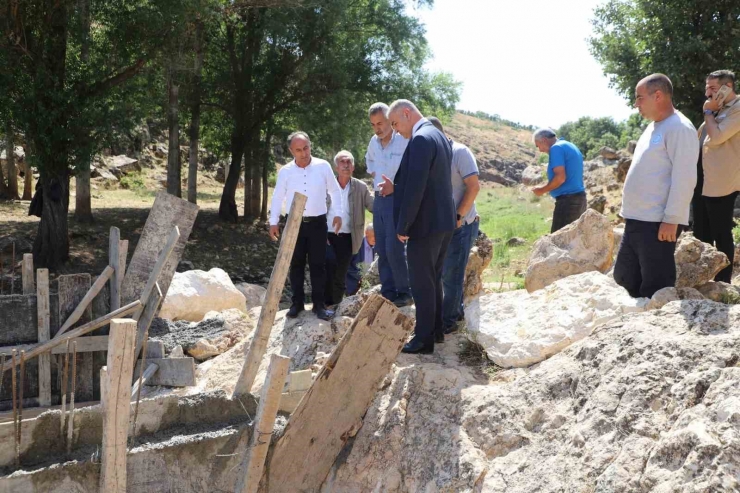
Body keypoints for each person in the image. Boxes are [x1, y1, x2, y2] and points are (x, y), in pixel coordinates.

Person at [615, 74, 699, 298]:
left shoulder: (680, 128)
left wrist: (672, 219)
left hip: (657, 223)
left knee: (656, 285)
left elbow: (685, 178)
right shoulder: (654, 127)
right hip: (636, 219)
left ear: (658, 95)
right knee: (624, 278)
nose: (636, 104)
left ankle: (658, 327)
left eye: (640, 98)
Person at [382, 99, 455, 354]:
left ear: (406, 113)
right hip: (443, 222)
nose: (395, 129)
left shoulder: (421, 139)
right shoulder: (438, 135)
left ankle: (423, 340)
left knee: (421, 281)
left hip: (425, 224)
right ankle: (435, 331)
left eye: (395, 123)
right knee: (433, 278)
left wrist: (403, 225)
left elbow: (417, 188)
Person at [269, 131, 343, 321]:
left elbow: (335, 191)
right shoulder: (285, 171)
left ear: (310, 145)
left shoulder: (323, 166)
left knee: (319, 265)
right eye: (299, 150)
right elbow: (278, 196)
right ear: (291, 150)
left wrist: (338, 214)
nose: (304, 153)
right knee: (296, 264)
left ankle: (319, 305)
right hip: (293, 223)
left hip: (318, 222)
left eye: (306, 148)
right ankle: (297, 303)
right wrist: (273, 222)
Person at [427, 117, 481, 335]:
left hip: (462, 224)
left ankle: (448, 322)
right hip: (439, 226)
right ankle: (455, 312)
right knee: (443, 273)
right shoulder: (432, 155)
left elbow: (474, 187)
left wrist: (457, 216)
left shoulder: (460, 152)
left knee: (452, 274)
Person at [693, 70, 740, 283]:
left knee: (721, 233)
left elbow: (718, 136)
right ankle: (704, 281)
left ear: (727, 87)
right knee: (701, 232)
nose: (708, 93)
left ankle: (723, 284)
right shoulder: (715, 110)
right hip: (702, 179)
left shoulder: (736, 109)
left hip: (721, 183)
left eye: (713, 88)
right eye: (706, 88)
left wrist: (708, 113)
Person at [365, 102, 412, 307]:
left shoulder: (403, 140)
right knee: (381, 247)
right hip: (379, 200)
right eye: (374, 124)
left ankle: (405, 291)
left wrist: (396, 186)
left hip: (397, 199)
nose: (378, 128)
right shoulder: (373, 143)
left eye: (382, 123)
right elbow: (369, 163)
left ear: (390, 121)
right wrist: (376, 175)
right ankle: (388, 291)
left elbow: (412, 171)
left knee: (395, 247)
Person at [324, 150, 374, 306]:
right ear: (336, 167)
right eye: (342, 162)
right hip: (327, 235)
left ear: (353, 167)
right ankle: (323, 304)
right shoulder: (326, 185)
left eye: (349, 162)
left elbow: (373, 206)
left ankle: (336, 305)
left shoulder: (360, 187)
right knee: (328, 267)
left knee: (341, 273)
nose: (346, 165)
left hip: (348, 237)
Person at [531, 128, 587, 232]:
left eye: (538, 145)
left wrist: (542, 190)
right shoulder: (568, 145)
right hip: (579, 200)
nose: (540, 150)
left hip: (568, 202)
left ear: (544, 140)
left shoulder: (556, 148)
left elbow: (560, 178)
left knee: (558, 243)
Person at [345, 224, 376, 296]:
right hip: (352, 283)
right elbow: (346, 266)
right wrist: (360, 276)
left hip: (370, 284)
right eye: (374, 236)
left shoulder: (378, 246)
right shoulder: (356, 244)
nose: (376, 238)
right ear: (366, 233)